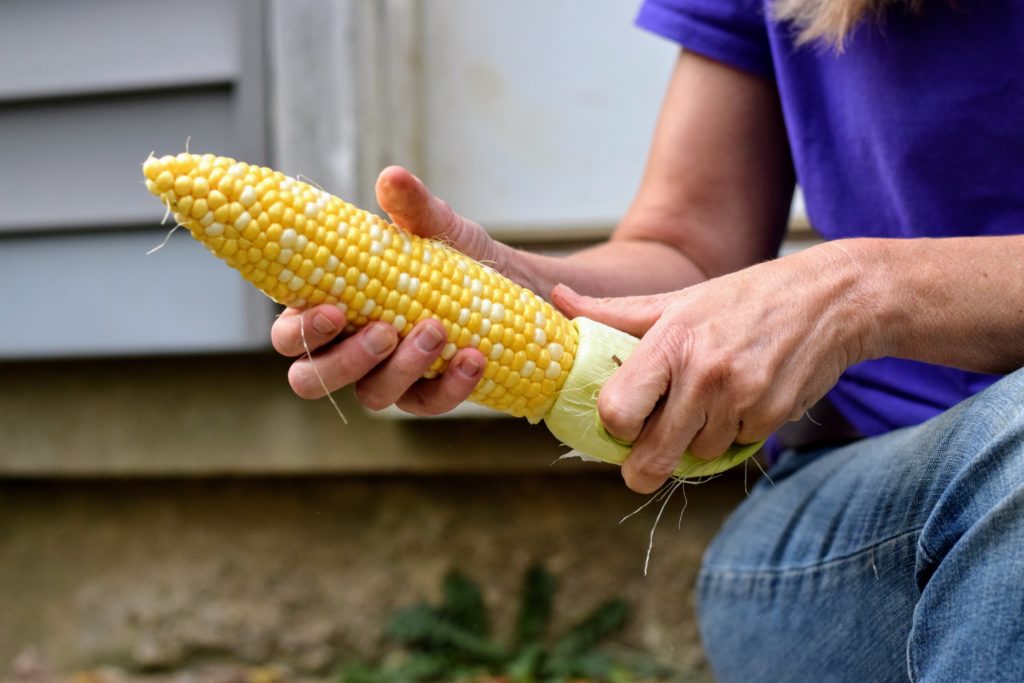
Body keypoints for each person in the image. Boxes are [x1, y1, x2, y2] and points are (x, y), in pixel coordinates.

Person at [271, 0, 1024, 679]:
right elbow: (691, 248)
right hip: (860, 515)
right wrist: (510, 288)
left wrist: (868, 289)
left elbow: (856, 289)